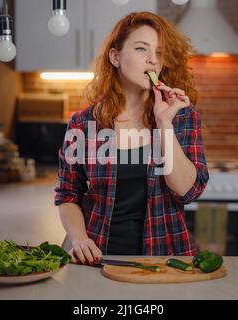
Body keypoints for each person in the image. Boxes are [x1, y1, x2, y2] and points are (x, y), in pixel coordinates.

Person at [54, 11, 209, 264]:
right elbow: (68, 195)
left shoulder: (181, 117)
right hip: (100, 260)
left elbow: (186, 191)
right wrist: (80, 239)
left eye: (159, 53)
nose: (152, 61)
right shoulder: (82, 124)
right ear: (115, 57)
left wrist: (163, 123)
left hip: (166, 260)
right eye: (141, 49)